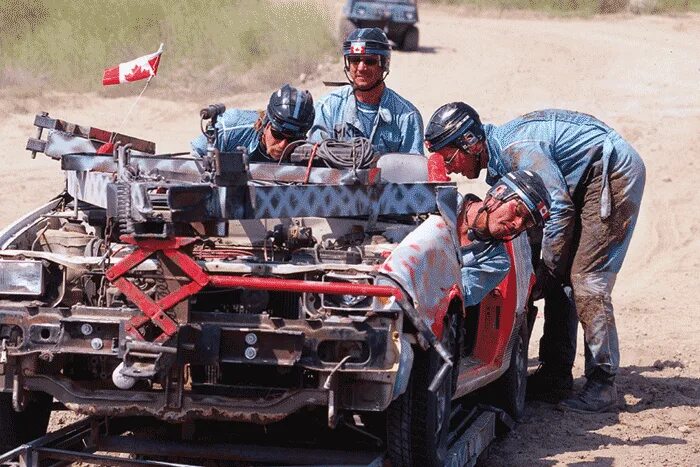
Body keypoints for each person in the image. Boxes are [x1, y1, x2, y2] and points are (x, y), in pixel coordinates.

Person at [424, 104, 646, 413]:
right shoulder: (505, 158)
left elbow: (558, 211)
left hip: (612, 172)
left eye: (449, 157)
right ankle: (556, 376)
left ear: (470, 143)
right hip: (583, 178)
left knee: (585, 279)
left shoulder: (517, 149)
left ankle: (602, 384)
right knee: (562, 278)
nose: (450, 169)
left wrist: (545, 274)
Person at [308, 27, 424, 155]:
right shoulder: (328, 108)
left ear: (384, 65)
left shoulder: (407, 117)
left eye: (370, 61)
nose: (361, 68)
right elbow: (314, 162)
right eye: (355, 60)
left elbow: (412, 169)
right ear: (348, 64)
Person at [459, 170, 551, 307]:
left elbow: (456, 295)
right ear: (499, 192)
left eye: (527, 224)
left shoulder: (496, 261)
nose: (518, 224)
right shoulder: (442, 201)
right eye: (518, 211)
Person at [191, 84, 314, 162]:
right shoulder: (229, 129)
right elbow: (195, 157)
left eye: (292, 140)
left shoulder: (307, 152)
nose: (282, 145)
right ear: (266, 123)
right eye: (277, 135)